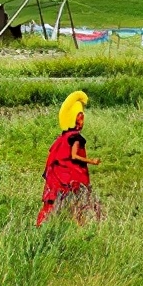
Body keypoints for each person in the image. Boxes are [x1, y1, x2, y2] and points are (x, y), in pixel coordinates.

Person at [37, 91, 101, 226]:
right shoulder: (75, 138)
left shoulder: (64, 137)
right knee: (79, 197)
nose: (82, 121)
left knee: (56, 201)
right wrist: (92, 161)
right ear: (75, 120)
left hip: (59, 173)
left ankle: (45, 223)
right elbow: (74, 156)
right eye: (81, 118)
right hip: (71, 174)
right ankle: (79, 222)